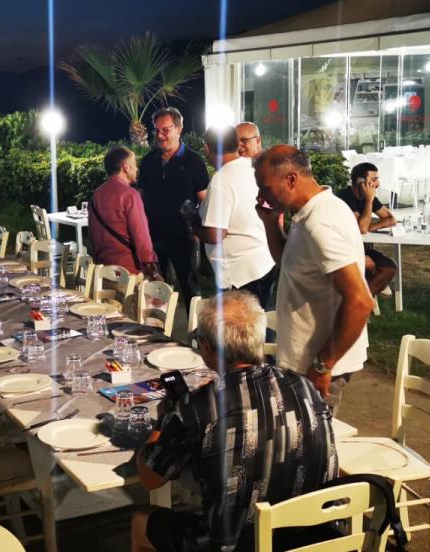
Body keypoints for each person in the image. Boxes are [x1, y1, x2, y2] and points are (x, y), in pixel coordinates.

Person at [132, 290, 337, 552]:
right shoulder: (304, 386)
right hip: (313, 536)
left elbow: (149, 477)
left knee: (140, 521)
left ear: (207, 347)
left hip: (238, 545)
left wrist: (164, 420)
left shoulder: (197, 407)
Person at [253, 145, 374, 410]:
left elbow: (361, 301)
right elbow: (288, 262)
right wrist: (271, 223)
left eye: (265, 188)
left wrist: (323, 364)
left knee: (311, 436)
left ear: (291, 179)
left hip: (315, 365)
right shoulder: (312, 211)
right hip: (306, 360)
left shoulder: (321, 222)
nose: (261, 196)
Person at [186, 126, 276, 308]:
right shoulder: (251, 167)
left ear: (207, 148)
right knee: (262, 321)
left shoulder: (222, 180)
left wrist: (193, 223)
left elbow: (215, 234)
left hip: (240, 276)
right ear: (237, 144)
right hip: (262, 263)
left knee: (241, 325)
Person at [137, 107, 210, 305]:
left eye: (165, 130)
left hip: (183, 237)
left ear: (179, 128)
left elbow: (204, 201)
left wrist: (199, 232)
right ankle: (158, 325)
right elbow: (141, 199)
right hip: (154, 236)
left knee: (190, 288)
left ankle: (195, 325)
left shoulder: (194, 162)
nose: (160, 135)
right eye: (156, 130)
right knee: (155, 291)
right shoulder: (148, 162)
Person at [88, 145, 162, 280]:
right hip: (128, 272)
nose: (137, 169)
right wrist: (151, 266)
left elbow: (92, 236)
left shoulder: (96, 195)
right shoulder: (130, 195)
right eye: (134, 164)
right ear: (126, 167)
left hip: (103, 271)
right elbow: (141, 236)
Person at [335, 162, 397, 297]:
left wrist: (371, 227)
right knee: (369, 264)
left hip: (361, 247)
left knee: (390, 267)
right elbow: (362, 229)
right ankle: (364, 299)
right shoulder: (345, 196)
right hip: (343, 249)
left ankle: (363, 300)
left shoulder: (368, 196)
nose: (378, 184)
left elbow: (391, 219)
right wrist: (369, 201)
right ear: (360, 182)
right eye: (374, 180)